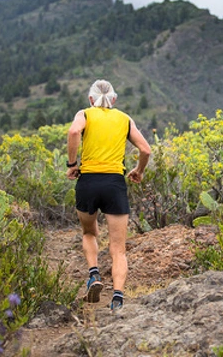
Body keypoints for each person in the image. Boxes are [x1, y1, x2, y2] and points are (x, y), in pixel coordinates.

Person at [66, 79, 151, 311]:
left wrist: (72, 163)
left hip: (88, 181)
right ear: (114, 99)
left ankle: (94, 275)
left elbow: (74, 131)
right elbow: (145, 149)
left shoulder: (84, 114)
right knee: (118, 248)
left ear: (91, 99)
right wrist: (139, 171)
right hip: (114, 183)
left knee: (89, 232)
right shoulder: (124, 119)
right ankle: (117, 299)